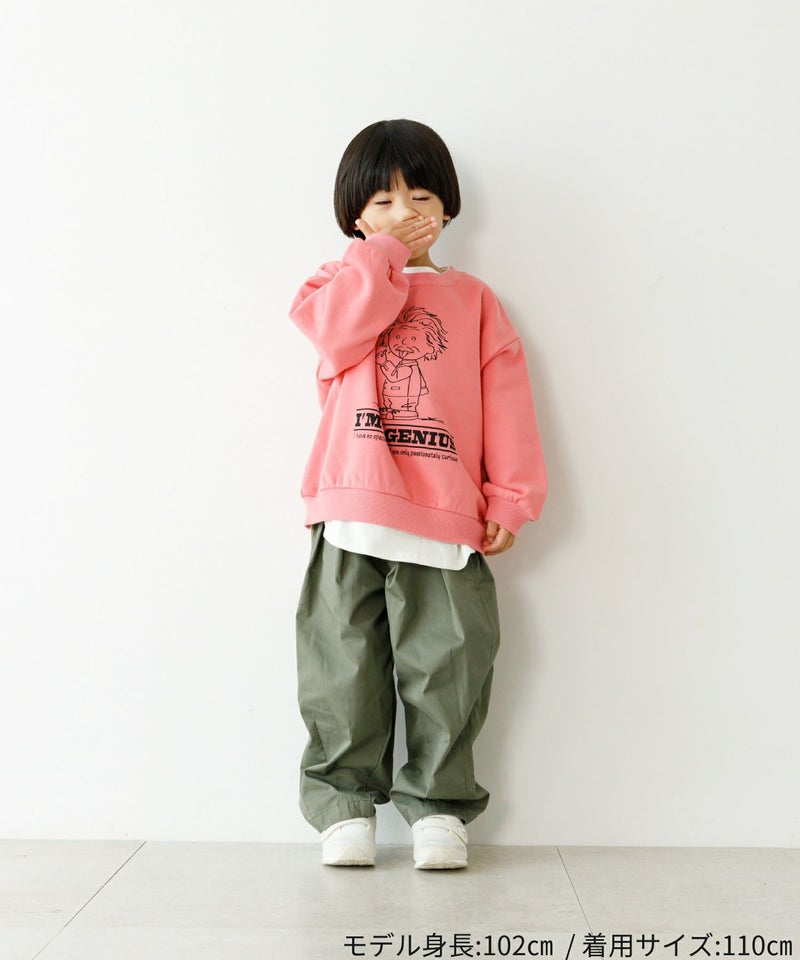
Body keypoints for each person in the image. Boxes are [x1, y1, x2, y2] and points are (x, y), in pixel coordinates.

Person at [289, 119, 547, 869]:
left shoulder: (473, 301)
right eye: (383, 202)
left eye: (421, 198)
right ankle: (343, 807)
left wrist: (511, 497)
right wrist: (382, 256)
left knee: (451, 666)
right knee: (340, 669)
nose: (404, 212)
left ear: (448, 208)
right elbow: (337, 335)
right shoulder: (336, 287)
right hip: (352, 509)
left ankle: (439, 805)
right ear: (354, 217)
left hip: (444, 513)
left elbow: (506, 403)